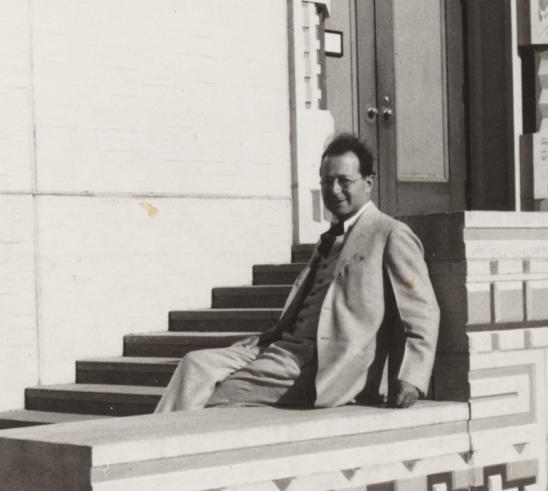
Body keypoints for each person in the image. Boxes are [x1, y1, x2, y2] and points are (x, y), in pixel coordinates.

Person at [154, 134, 440, 412]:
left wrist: (412, 377)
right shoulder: (328, 238)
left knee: (216, 392)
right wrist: (268, 337)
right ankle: (157, 450)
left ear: (368, 183)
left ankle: (159, 454)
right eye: (327, 181)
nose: (335, 189)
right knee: (194, 364)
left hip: (323, 365)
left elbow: (422, 312)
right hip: (281, 350)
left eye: (345, 181)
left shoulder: (390, 234)